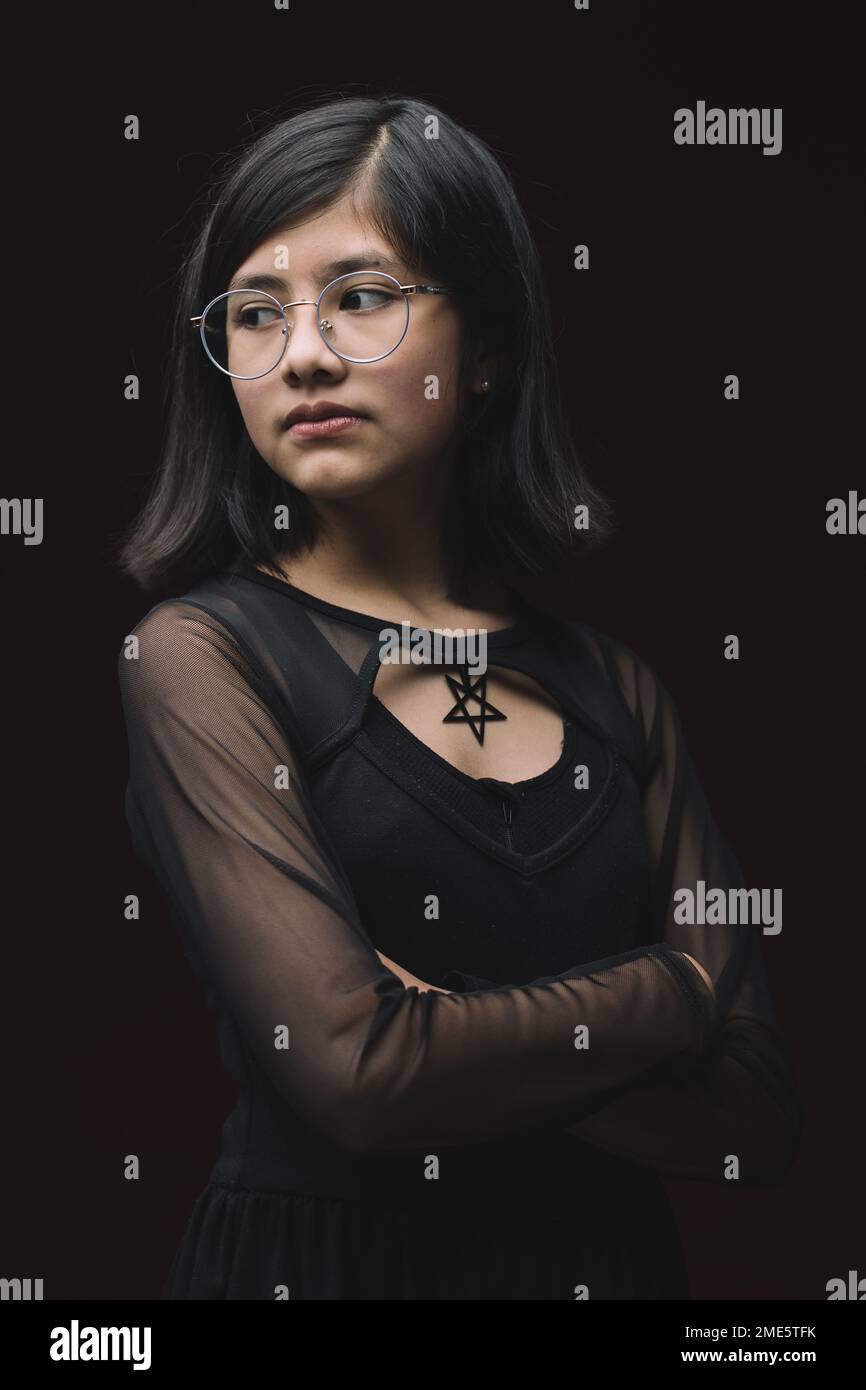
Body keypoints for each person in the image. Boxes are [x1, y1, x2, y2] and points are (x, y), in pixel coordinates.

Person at [114, 93, 801, 1300]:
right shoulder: (200, 656)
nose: (306, 354)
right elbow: (361, 1080)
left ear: (484, 348)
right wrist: (672, 991)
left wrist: (449, 1031)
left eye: (363, 298)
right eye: (256, 316)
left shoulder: (613, 691)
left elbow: (751, 1122)